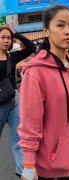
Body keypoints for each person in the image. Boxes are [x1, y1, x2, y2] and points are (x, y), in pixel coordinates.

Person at [18, 5, 69, 180]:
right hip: (49, 167)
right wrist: (28, 165)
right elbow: (29, 125)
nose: (68, 31)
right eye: (60, 25)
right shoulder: (35, 73)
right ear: (46, 31)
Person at [0, 25, 35, 177]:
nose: (7, 40)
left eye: (9, 38)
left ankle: (22, 172)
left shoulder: (12, 57)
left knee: (19, 138)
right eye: (3, 37)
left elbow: (31, 47)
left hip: (13, 101)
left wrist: (16, 34)